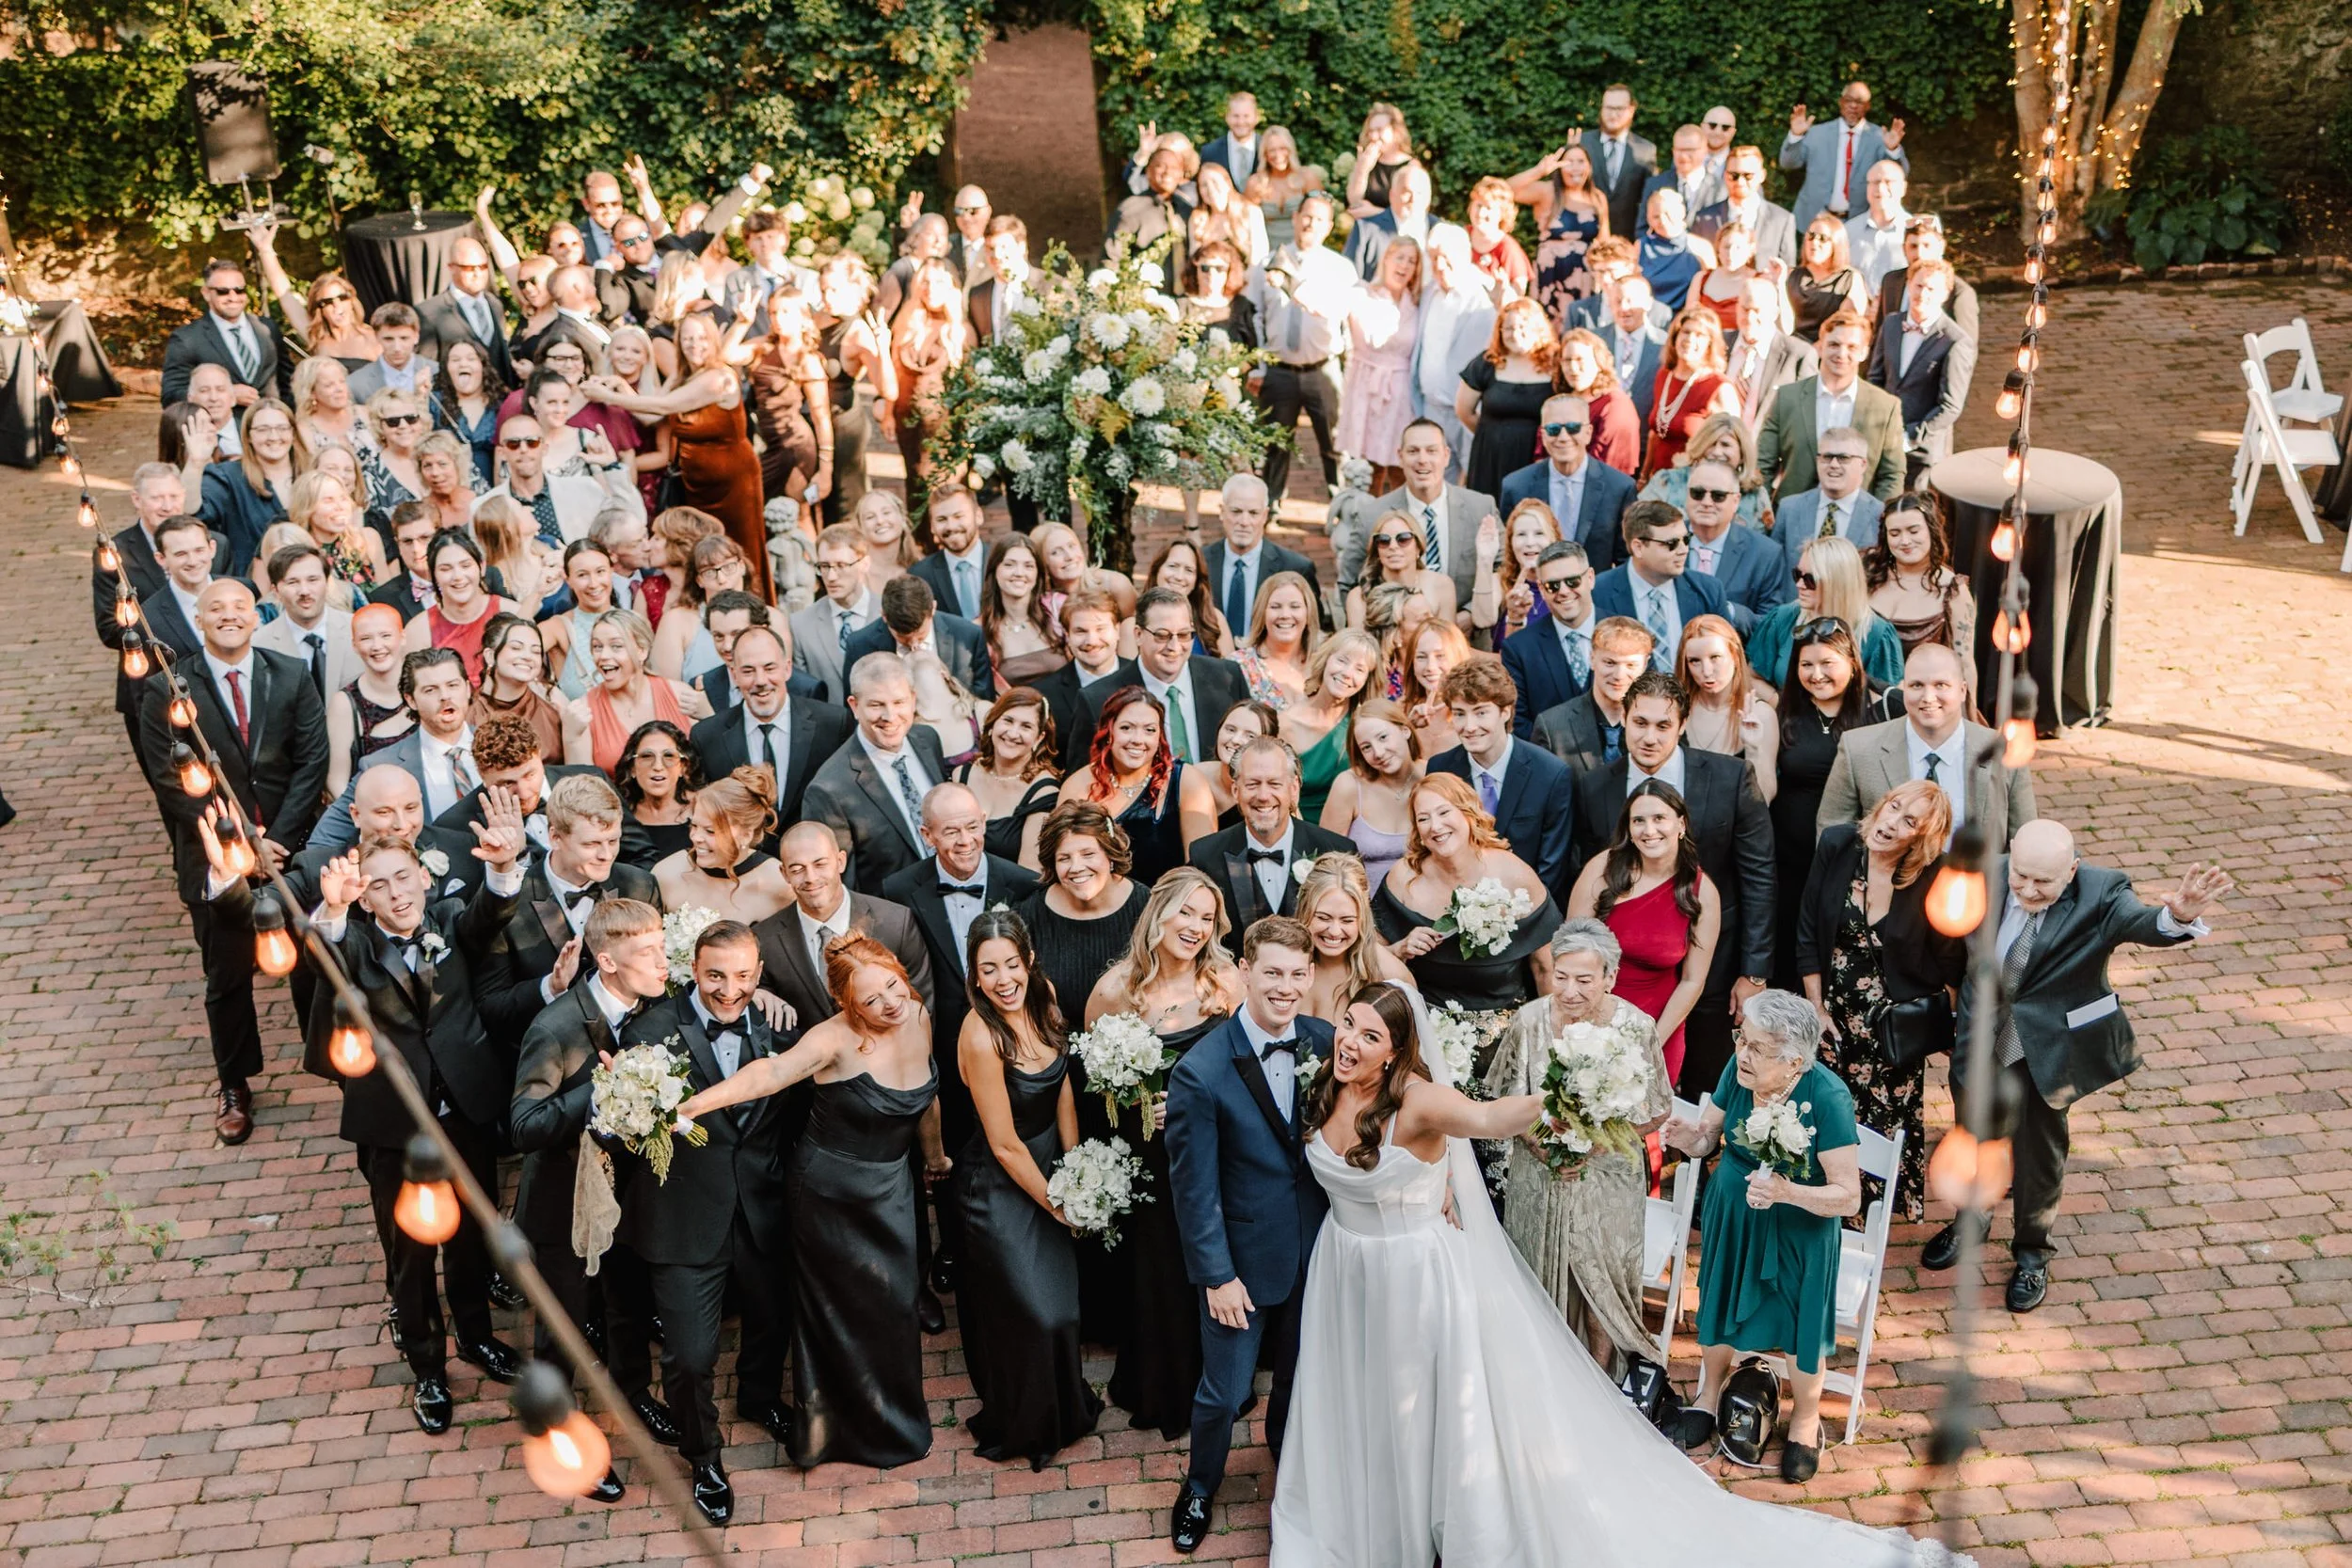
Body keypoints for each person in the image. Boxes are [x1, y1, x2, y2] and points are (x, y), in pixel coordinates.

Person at [1931, 821, 2232, 1312]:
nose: (2028, 889)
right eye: (2021, 876)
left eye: (2043, 882)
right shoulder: (1985, 877)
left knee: (2039, 1152)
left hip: (2048, 1046)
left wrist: (2175, 917)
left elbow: (2140, 922)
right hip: (1981, 1036)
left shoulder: (2101, 892)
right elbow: (1951, 945)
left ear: (2071, 871)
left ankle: (2031, 1253)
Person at [677, 930, 946, 1471]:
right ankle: (832, 1431)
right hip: (829, 1193)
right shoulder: (832, 1038)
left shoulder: (916, 1015)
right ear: (847, 1005)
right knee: (837, 1311)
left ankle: (891, 1418)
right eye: (871, 1000)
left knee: (893, 1304)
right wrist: (690, 1106)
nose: (889, 1003)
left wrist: (935, 1157)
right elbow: (770, 1073)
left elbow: (927, 1099)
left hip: (890, 1183)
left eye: (893, 987)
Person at [306, 799, 529, 1432]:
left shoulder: (452, 921)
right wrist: (334, 911)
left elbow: (493, 912)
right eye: (379, 885)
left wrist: (506, 866)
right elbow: (323, 962)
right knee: (408, 1252)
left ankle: (476, 1336)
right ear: (366, 898)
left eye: (404, 877)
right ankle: (428, 1366)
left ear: (425, 877)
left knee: (471, 1235)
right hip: (394, 1126)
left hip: (464, 1111)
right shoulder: (351, 945)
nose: (396, 892)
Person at [601, 918, 790, 1523]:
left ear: (759, 976)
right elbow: (618, 1125)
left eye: (741, 976)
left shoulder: (779, 1026)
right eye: (714, 975)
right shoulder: (652, 1031)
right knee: (687, 1355)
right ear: (693, 971)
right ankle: (703, 1455)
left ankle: (760, 1397)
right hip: (681, 1217)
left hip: (763, 1209)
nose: (728, 990)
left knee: (770, 1321)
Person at [1161, 916, 1335, 1553]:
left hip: (1318, 1249)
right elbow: (1193, 1187)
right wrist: (1216, 1275)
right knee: (1226, 1389)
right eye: (1271, 973)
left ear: (1310, 975)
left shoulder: (1326, 1042)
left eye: (1296, 974)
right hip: (1240, 1264)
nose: (1284, 987)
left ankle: (1288, 1473)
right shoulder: (1200, 1070)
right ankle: (1201, 1484)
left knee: (1299, 1375)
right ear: (1244, 972)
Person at [140, 579, 331, 1142]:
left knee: (308, 960)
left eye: (240, 607)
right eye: (216, 609)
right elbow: (171, 781)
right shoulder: (166, 689)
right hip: (213, 856)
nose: (229, 616)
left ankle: (325, 1058)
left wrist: (280, 836)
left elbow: (311, 759)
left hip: (287, 849)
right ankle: (235, 1083)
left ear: (256, 616)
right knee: (226, 976)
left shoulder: (291, 673)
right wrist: (238, 842)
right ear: (198, 619)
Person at [1662, 988, 1862, 1482]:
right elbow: (1712, 1135)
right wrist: (1692, 1140)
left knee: (1800, 1321)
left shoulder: (1828, 1097)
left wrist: (1788, 1192)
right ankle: (1709, 1395)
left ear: (1794, 1061)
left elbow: (1849, 1196)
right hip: (1735, 1209)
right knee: (1720, 1298)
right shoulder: (1740, 1070)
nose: (1740, 1054)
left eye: (1755, 1048)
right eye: (1741, 1040)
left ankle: (1806, 1419)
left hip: (1800, 1226)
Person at [1078, 870, 1243, 1438]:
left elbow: (1247, 1070)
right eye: (1186, 913)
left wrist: (1202, 1104)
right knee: (1159, 1268)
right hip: (1148, 1154)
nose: (1196, 927)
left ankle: (1218, 1378)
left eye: (1206, 917)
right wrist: (1134, 1104)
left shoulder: (1224, 981)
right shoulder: (1116, 989)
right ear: (1159, 915)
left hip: (1214, 1150)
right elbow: (1094, 1079)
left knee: (1211, 1259)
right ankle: (1159, 1384)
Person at [1569, 669, 1773, 1095]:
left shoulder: (1731, 777)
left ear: (1681, 726)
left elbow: (1759, 875)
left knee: (1700, 1082)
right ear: (1624, 719)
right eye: (1640, 723)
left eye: (1664, 725)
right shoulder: (1593, 787)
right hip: (1623, 974)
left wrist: (1754, 972)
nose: (1650, 737)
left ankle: (1686, 1160)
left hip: (1710, 960)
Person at [948, 908, 1103, 1467]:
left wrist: (1077, 1162)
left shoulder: (1046, 997)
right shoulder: (979, 1034)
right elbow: (1004, 1144)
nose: (1003, 980)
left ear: (1029, 961)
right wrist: (1059, 1205)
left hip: (1049, 1166)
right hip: (996, 1186)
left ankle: (1062, 1409)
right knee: (1033, 1312)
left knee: (1063, 1308)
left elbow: (1060, 1085)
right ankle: (1025, 1422)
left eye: (1011, 964)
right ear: (974, 974)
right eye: (988, 970)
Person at [1486, 919, 1676, 1370]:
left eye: (1585, 980)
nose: (1569, 991)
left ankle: (1600, 1377)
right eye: (1561, 976)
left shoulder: (1636, 1026)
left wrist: (1593, 1146)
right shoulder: (1529, 1021)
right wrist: (1543, 1145)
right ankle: (1541, 1372)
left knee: (1600, 1282)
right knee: (1535, 1277)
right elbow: (1501, 1098)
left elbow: (1658, 1109)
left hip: (1607, 1174)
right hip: (1539, 1172)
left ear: (1610, 978)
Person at [1796, 781, 1966, 1225]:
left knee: (1882, 1122)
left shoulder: (1935, 875)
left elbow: (1951, 960)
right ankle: (1821, 1204)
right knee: (1826, 1112)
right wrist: (1815, 1007)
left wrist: (1941, 1023)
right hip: (1831, 1013)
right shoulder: (1838, 844)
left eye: (1909, 821)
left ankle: (1864, 1217)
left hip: (1893, 1026)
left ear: (1921, 839)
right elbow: (1808, 928)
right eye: (1893, 807)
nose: (1891, 823)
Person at [584, 313, 768, 598]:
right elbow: (647, 415)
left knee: (737, 549)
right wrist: (621, 387)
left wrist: (607, 396)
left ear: (714, 341)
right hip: (697, 484)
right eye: (688, 338)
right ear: (678, 343)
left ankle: (752, 604)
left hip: (732, 482)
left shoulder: (720, 376)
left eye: (703, 338)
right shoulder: (682, 376)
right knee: (702, 551)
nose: (695, 345)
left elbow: (663, 405)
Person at [1564, 779, 1722, 1088]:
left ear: (1681, 824)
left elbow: (1692, 980)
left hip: (1658, 1027)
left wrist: (1651, 1042)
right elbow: (1570, 949)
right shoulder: (1603, 869)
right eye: (1639, 821)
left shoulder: (1702, 893)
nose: (1649, 831)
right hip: (1589, 1016)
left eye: (1659, 818)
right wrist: (1582, 1020)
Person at [1375, 771, 1562, 1027]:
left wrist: (1551, 1038)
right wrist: (1401, 949)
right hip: (1430, 1027)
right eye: (1424, 818)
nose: (1436, 826)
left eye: (1444, 812)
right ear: (1417, 830)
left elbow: (1546, 968)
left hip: (1507, 1028)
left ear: (1468, 813)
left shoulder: (1514, 875)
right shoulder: (1403, 879)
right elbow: (1370, 958)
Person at [1820, 641, 2039, 847]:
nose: (1928, 697)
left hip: (1974, 885)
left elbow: (2025, 839)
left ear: (1962, 690)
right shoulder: (1858, 749)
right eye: (1916, 685)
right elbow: (1832, 832)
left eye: (1940, 685)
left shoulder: (2003, 751)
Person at [1764, 617, 1882, 986]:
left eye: (1827, 663)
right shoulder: (1783, 714)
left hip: (1852, 856)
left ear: (1851, 662)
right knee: (1792, 948)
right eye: (1806, 664)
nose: (1816, 675)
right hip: (1792, 858)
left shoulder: (1876, 710)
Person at [1424, 651, 1578, 902]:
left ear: (1505, 712)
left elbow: (1552, 869)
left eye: (1481, 712)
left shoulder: (1550, 774)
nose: (1470, 726)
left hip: (1530, 910)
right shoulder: (1441, 769)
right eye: (1460, 714)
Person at [1187, 734, 1359, 951]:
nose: (1264, 795)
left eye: (1274, 783)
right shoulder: (1205, 856)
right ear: (1235, 790)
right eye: (1252, 784)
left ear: (1294, 788)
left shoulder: (1338, 851)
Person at [804, 655, 953, 895]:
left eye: (899, 702)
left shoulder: (928, 740)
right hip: (895, 919)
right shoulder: (828, 789)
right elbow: (841, 887)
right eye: (876, 705)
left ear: (913, 700)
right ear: (854, 706)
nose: (890, 716)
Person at [1242, 193, 1355, 499]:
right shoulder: (1268, 263)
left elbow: (1348, 325)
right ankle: (1271, 505)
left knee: (1334, 445)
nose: (1310, 223)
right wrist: (1259, 366)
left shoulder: (1341, 268)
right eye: (1306, 216)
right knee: (1275, 445)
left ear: (1329, 227)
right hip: (1279, 371)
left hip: (1323, 369)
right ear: (1294, 218)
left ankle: (1340, 507)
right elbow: (1255, 317)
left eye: (1319, 219)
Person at [1060, 683, 1218, 887]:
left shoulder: (1187, 781)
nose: (1137, 739)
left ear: (1159, 737)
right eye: (1126, 728)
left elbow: (1202, 870)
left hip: (1166, 906)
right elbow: (1063, 859)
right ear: (1109, 732)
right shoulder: (1079, 785)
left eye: (1149, 730)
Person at [688, 624, 851, 820]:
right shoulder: (706, 737)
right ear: (734, 674)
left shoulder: (834, 724)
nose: (760, 680)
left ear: (787, 668)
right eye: (748, 671)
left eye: (769, 668)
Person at [1758, 310, 1907, 509]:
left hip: (1858, 523)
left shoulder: (1885, 406)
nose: (1841, 354)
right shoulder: (1788, 398)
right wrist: (1763, 512)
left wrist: (1878, 521)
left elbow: (1892, 474)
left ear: (1864, 353)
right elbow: (1763, 464)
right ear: (1820, 347)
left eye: (1852, 347)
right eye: (1834, 344)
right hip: (1793, 518)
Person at [562, 608, 711, 776]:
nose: (603, 655)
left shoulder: (680, 695)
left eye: (616, 646)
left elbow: (710, 766)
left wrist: (710, 717)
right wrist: (572, 739)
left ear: (642, 651)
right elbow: (582, 787)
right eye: (597, 647)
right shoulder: (584, 710)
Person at [1746, 536, 1906, 690]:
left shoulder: (1876, 634)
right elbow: (1752, 676)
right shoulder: (1783, 618)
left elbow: (1888, 700)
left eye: (1810, 579)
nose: (1800, 584)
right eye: (1797, 575)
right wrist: (1781, 706)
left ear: (1837, 583)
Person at [1867, 259, 1977, 483]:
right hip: (1880, 442)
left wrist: (1910, 436)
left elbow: (1950, 406)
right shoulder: (1891, 324)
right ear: (1908, 285)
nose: (1923, 294)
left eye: (1931, 289)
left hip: (1921, 454)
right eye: (1918, 286)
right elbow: (1875, 377)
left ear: (1945, 294)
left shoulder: (1955, 341)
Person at [1501, 395, 1636, 577]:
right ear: (1543, 434)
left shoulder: (1619, 488)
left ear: (1588, 432)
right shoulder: (1516, 486)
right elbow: (1507, 556)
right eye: (1553, 429)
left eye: (1573, 428)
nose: (1563, 437)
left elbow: (1626, 560)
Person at [1592, 499, 1731, 673]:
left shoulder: (1708, 590)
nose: (1683, 550)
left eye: (1686, 540)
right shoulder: (1598, 594)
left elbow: (1729, 659)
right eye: (1671, 544)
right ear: (1638, 547)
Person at [473, 413, 646, 548]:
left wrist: (611, 467)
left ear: (544, 448)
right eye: (514, 444)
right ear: (502, 452)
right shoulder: (483, 507)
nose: (524, 450)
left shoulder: (581, 489)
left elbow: (634, 519)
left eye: (532, 442)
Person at [1868, 489, 1978, 699]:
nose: (1905, 541)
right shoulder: (1869, 578)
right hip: (1867, 706)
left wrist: (1965, 717)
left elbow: (1964, 662)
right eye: (1895, 533)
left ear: (1931, 530)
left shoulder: (1952, 590)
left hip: (1925, 706)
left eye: (1913, 531)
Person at [1333, 239, 1423, 491]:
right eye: (1399, 257)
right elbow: (1328, 304)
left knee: (1400, 467)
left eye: (1412, 261)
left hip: (1401, 394)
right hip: (1366, 389)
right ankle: (1362, 522)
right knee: (1367, 470)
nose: (1404, 265)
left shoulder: (1417, 303)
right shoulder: (1362, 293)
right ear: (1385, 259)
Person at [652, 766, 794, 925]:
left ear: (745, 835)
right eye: (694, 826)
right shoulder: (667, 874)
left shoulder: (779, 884)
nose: (696, 838)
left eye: (710, 831)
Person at [1455, 300, 1557, 503]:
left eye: (1522, 326)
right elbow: (1463, 411)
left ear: (1538, 329)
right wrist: (1494, 434)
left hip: (1535, 458)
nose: (1515, 333)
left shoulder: (1554, 365)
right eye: (1508, 328)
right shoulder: (1486, 363)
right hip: (1491, 456)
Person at [951, 688, 1062, 868]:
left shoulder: (1044, 791)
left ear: (1039, 738)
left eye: (1026, 726)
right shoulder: (962, 776)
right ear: (993, 723)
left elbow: (1030, 871)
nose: (1012, 733)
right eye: (1008, 721)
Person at [1317, 697, 1420, 889]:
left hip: (1422, 905)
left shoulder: (1432, 775)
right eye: (1366, 747)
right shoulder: (1349, 785)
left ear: (1405, 730)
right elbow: (1327, 862)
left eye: (1383, 737)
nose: (1378, 753)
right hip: (1365, 906)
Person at [161, 256, 293, 404]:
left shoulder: (268, 328)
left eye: (239, 290)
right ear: (206, 293)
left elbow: (287, 383)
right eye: (223, 291)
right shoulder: (186, 339)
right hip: (220, 426)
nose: (233, 297)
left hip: (272, 423)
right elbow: (171, 395)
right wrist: (225, 394)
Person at [1780, 81, 1910, 231]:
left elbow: (1900, 176)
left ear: (1868, 106)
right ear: (1841, 102)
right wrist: (1796, 136)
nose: (1853, 106)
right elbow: (1788, 163)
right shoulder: (1817, 133)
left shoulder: (1879, 138)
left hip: (1860, 223)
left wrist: (1892, 149)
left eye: (1860, 102)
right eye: (1849, 100)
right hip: (1815, 220)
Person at [1677, 459, 1787, 635]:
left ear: (1736, 501)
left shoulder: (1764, 553)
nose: (1706, 502)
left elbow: (1771, 624)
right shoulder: (1663, 542)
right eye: (1697, 493)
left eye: (1718, 495)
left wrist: (1728, 610)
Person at [1512, 142, 1611, 333]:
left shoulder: (1598, 198)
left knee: (1580, 330)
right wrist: (1539, 171)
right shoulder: (1547, 192)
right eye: (1569, 162)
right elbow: (1503, 190)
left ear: (1589, 166)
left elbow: (1605, 243)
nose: (1575, 167)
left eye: (1580, 161)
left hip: (1584, 278)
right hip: (1551, 275)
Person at [1280, 629, 1378, 821]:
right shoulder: (1285, 724)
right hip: (1299, 830)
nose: (1348, 673)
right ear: (1326, 660)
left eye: (1360, 669)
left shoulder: (1365, 726)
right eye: (1342, 661)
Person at [1679, 614, 1779, 800]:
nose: (1707, 671)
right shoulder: (1676, 710)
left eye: (1715, 657)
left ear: (1734, 655)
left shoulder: (1760, 714)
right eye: (1695, 661)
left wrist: (1753, 749)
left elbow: (1763, 798)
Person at [199, 400, 305, 574]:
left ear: (293, 433)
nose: (273, 436)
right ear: (248, 436)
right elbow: (198, 514)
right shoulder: (228, 477)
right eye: (263, 429)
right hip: (251, 587)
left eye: (282, 428)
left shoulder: (311, 473)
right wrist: (196, 463)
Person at [326, 603, 417, 795]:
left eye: (386, 636)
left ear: (402, 637)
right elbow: (336, 780)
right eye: (366, 638)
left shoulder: (424, 686)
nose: (377, 646)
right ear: (355, 645)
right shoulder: (345, 703)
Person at [1769, 425, 1884, 577]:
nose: (1834, 465)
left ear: (1863, 464)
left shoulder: (1879, 515)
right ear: (1818, 460)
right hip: (1796, 599)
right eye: (1827, 457)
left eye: (1843, 458)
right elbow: (1774, 571)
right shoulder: (1789, 509)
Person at [251, 541, 359, 698]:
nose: (304, 591)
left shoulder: (357, 630)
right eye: (293, 582)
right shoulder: (260, 645)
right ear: (276, 591)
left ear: (327, 583)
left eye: (313, 580)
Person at [1641, 311, 1739, 483]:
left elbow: (1733, 446)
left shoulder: (1719, 387)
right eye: (1686, 332)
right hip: (1658, 482)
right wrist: (1644, 476)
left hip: (1695, 486)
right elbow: (1655, 434)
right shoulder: (1664, 376)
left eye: (1699, 335)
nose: (1690, 339)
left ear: (1710, 344)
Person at [792, 522, 884, 701]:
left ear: (864, 563)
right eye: (825, 566)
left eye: (841, 565)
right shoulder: (800, 625)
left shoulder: (887, 613)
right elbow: (802, 696)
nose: (831, 577)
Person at [467, 613, 564, 762]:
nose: (527, 656)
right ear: (490, 656)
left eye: (536, 651)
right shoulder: (468, 714)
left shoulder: (552, 711)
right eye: (516, 648)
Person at [1872, 213, 1981, 344]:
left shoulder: (1960, 292)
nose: (1919, 254)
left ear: (1941, 247)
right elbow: (1879, 336)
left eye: (1927, 245)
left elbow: (1966, 347)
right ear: (1904, 249)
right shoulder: (1891, 282)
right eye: (1913, 246)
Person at [1553, 329, 1644, 480]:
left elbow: (1610, 466)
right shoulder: (1562, 401)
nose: (1573, 368)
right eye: (1567, 360)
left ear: (1599, 362)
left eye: (1580, 359)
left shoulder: (1614, 405)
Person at [615, 718, 700, 869]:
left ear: (683, 767)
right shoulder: (618, 813)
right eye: (647, 756)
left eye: (668, 756)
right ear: (632, 768)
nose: (658, 766)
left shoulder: (701, 810)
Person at [1232, 570, 1318, 711]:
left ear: (1308, 613)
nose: (1285, 615)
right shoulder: (1239, 666)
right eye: (1275, 607)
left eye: (1295, 607)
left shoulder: (1325, 665)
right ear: (1262, 613)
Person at [912, 481, 990, 623]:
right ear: (932, 527)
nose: (951, 526)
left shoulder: (1002, 561)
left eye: (958, 516)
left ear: (978, 516)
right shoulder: (920, 575)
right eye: (941, 519)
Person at [1786, 217, 1867, 346]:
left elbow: (1847, 326)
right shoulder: (1791, 275)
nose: (1814, 242)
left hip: (1828, 350)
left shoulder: (1851, 279)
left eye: (1822, 238)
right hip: (1791, 347)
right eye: (1811, 236)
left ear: (1837, 243)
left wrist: (1814, 352)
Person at [1243, 125, 1326, 251]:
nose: (1278, 155)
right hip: (1267, 251)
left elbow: (1322, 216)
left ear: (1291, 150)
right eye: (1272, 150)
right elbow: (1246, 222)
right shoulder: (1256, 183)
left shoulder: (1307, 177)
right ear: (1265, 154)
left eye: (1283, 148)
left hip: (1303, 250)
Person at [1844, 161, 1913, 295]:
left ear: (1903, 188)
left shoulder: (1915, 231)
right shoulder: (1848, 231)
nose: (1880, 188)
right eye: (1874, 182)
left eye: (1888, 181)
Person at [1343, 102, 1416, 216]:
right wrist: (1362, 169)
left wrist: (1375, 213)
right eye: (1371, 131)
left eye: (1379, 130)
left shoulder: (1411, 167)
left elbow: (1412, 214)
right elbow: (1354, 203)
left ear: (1396, 132)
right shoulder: (1367, 161)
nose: (1373, 136)